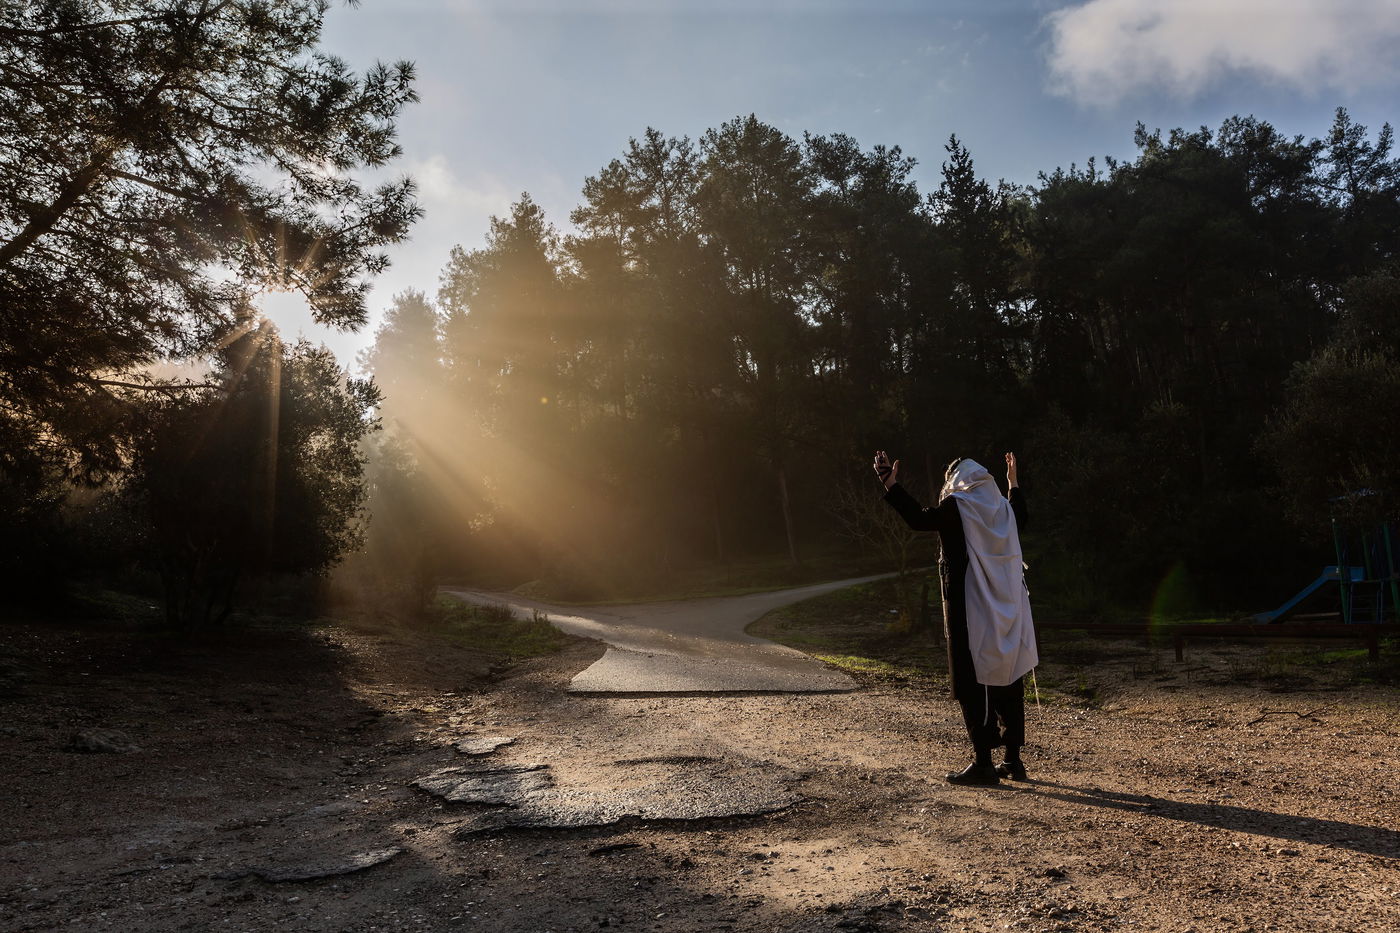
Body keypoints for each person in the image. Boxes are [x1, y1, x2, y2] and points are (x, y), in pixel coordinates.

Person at [873, 450, 1037, 786]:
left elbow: (919, 519)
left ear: (955, 481)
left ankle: (982, 763)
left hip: (970, 610)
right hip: (1010, 609)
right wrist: (1013, 483)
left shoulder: (957, 508)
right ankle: (1013, 760)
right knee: (1008, 677)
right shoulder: (1004, 510)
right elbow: (1021, 514)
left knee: (972, 680)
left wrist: (890, 482)